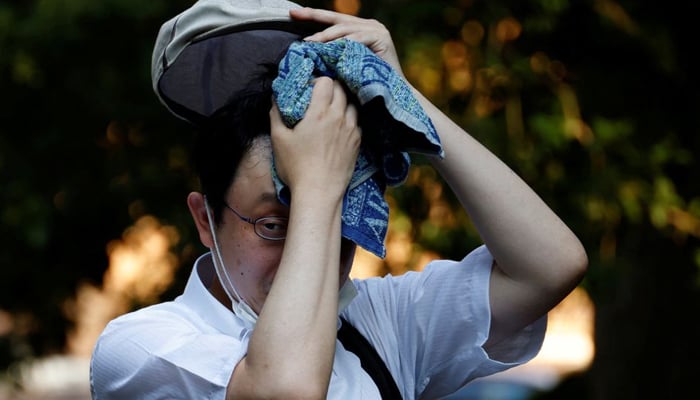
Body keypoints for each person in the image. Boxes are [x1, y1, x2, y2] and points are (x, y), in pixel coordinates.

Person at [90, 3, 587, 400]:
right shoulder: (141, 347)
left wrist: (405, 98)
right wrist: (317, 187)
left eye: (338, 219)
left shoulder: (379, 325)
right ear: (205, 219)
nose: (307, 251)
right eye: (273, 224)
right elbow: (283, 390)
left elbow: (550, 266)